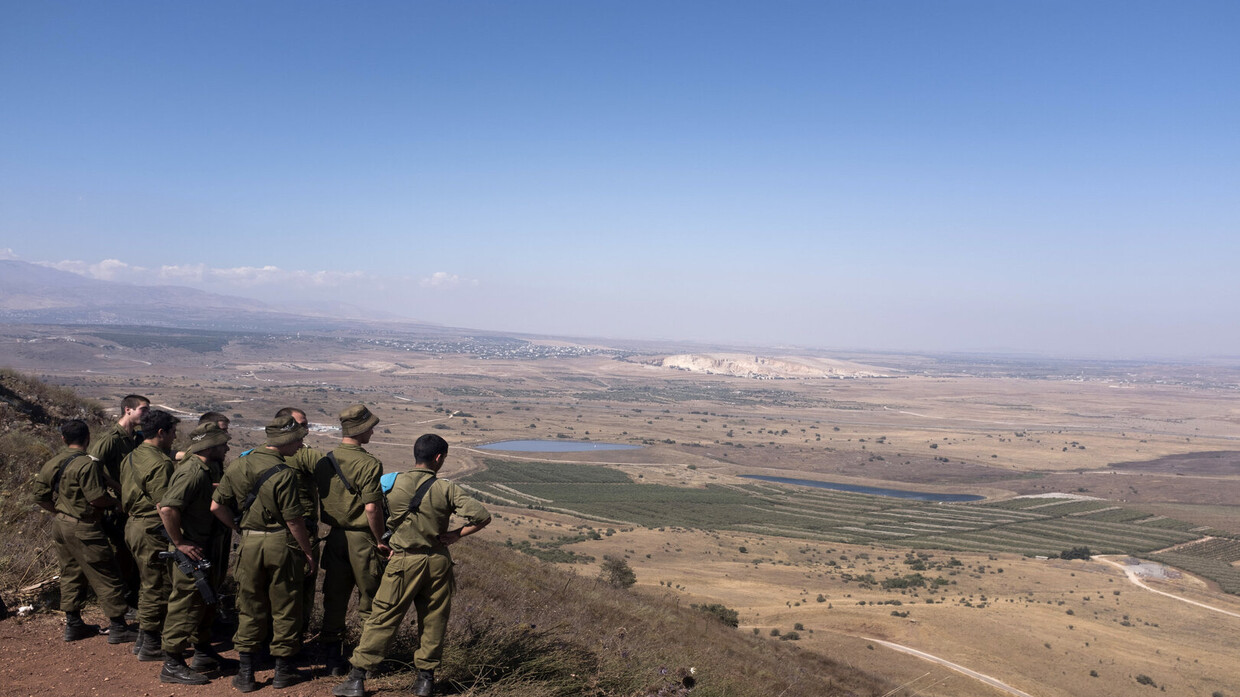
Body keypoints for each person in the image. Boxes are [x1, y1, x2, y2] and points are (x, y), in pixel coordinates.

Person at [333, 434, 490, 697]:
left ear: (416, 454)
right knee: (433, 620)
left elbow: (372, 510)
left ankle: (357, 678)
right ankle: (425, 681)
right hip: (438, 562)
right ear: (438, 458)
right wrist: (456, 534)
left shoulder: (392, 483)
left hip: (404, 560)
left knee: (382, 617)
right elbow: (482, 516)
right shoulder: (446, 489)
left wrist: (381, 540)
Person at [211, 414, 317, 692]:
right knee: (285, 606)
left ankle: (246, 673)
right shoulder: (284, 473)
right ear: (286, 441)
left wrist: (238, 526)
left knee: (249, 605)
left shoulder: (238, 464)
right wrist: (307, 552)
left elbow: (216, 506)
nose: (300, 446)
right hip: (281, 544)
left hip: (249, 543)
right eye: (298, 441)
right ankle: (282, 672)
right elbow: (294, 520)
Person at [31, 420, 139, 644]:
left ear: (63, 439)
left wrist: (60, 511)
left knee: (71, 572)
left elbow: (40, 496)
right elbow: (95, 498)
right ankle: (119, 626)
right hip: (84, 526)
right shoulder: (86, 464)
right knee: (106, 572)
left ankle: (74, 624)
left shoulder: (53, 462)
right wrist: (114, 503)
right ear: (88, 438)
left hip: (61, 525)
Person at [315, 404, 389, 676]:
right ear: (361, 430)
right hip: (362, 540)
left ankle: (332, 658)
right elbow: (372, 508)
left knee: (334, 597)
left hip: (334, 538)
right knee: (371, 600)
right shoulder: (369, 463)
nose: (373, 430)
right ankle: (367, 663)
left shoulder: (325, 461)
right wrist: (381, 540)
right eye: (370, 426)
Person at [157, 421, 231, 685]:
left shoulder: (201, 470)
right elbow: (166, 508)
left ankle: (203, 652)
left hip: (203, 547)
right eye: (222, 443)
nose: (226, 447)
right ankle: (172, 663)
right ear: (210, 446)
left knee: (203, 602)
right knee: (186, 603)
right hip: (192, 551)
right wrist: (180, 542)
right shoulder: (192, 472)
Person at [121, 409, 181, 661]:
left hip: (134, 525)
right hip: (151, 528)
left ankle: (145, 640)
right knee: (159, 585)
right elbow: (164, 506)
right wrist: (179, 541)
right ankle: (152, 643)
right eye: (173, 433)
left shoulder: (133, 456)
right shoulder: (161, 464)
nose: (174, 438)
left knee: (148, 584)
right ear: (161, 433)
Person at [89, 394, 150, 609]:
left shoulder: (138, 438)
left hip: (134, 505)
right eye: (143, 409)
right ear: (128, 410)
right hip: (119, 506)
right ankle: (121, 603)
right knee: (122, 554)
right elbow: (91, 467)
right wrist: (114, 489)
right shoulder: (111, 440)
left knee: (134, 554)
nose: (146, 414)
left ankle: (133, 598)